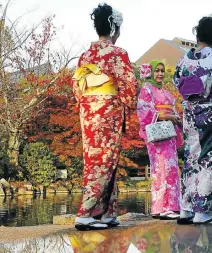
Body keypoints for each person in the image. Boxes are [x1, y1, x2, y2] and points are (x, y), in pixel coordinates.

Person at [72, 4, 137, 230]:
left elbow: (77, 87)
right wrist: (129, 102)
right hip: (108, 111)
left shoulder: (85, 55)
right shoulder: (117, 54)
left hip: (88, 112)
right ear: (114, 28)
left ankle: (107, 212)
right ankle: (85, 212)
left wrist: (89, 103)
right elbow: (129, 85)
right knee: (104, 160)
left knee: (97, 160)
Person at [173, 15, 212, 225]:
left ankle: (185, 208)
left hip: (191, 113)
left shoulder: (183, 59)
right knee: (210, 158)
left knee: (191, 157)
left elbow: (177, 82)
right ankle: (201, 210)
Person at [137, 61, 182, 220]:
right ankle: (162, 207)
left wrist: (176, 119)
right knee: (160, 169)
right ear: (151, 72)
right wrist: (166, 116)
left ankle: (170, 207)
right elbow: (144, 112)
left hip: (168, 134)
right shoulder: (146, 89)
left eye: (162, 71)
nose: (160, 74)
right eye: (157, 71)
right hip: (156, 134)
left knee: (171, 169)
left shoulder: (165, 92)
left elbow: (174, 110)